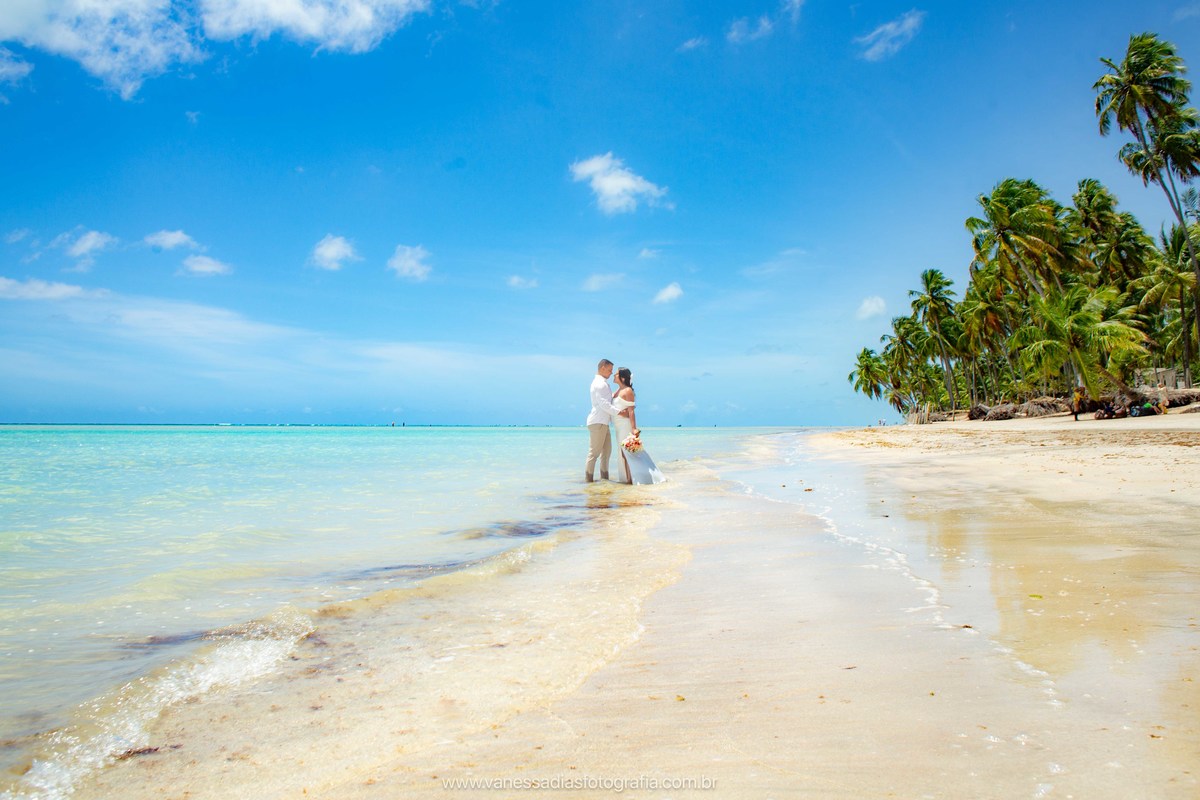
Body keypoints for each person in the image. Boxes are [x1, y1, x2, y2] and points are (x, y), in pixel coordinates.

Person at [610, 367, 667, 485]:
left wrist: (634, 428)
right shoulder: (616, 391)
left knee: (628, 452)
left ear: (622, 378)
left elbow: (631, 411)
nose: (613, 376)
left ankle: (637, 479)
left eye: (616, 374)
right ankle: (627, 479)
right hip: (618, 426)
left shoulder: (628, 391)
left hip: (625, 425)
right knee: (623, 453)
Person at [585, 359, 617, 482]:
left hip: (604, 422)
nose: (611, 373)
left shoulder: (602, 383)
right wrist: (619, 412)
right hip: (597, 422)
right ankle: (589, 482)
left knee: (606, 453)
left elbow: (607, 400)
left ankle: (605, 481)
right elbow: (604, 404)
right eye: (609, 370)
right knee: (594, 454)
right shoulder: (600, 383)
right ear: (602, 368)